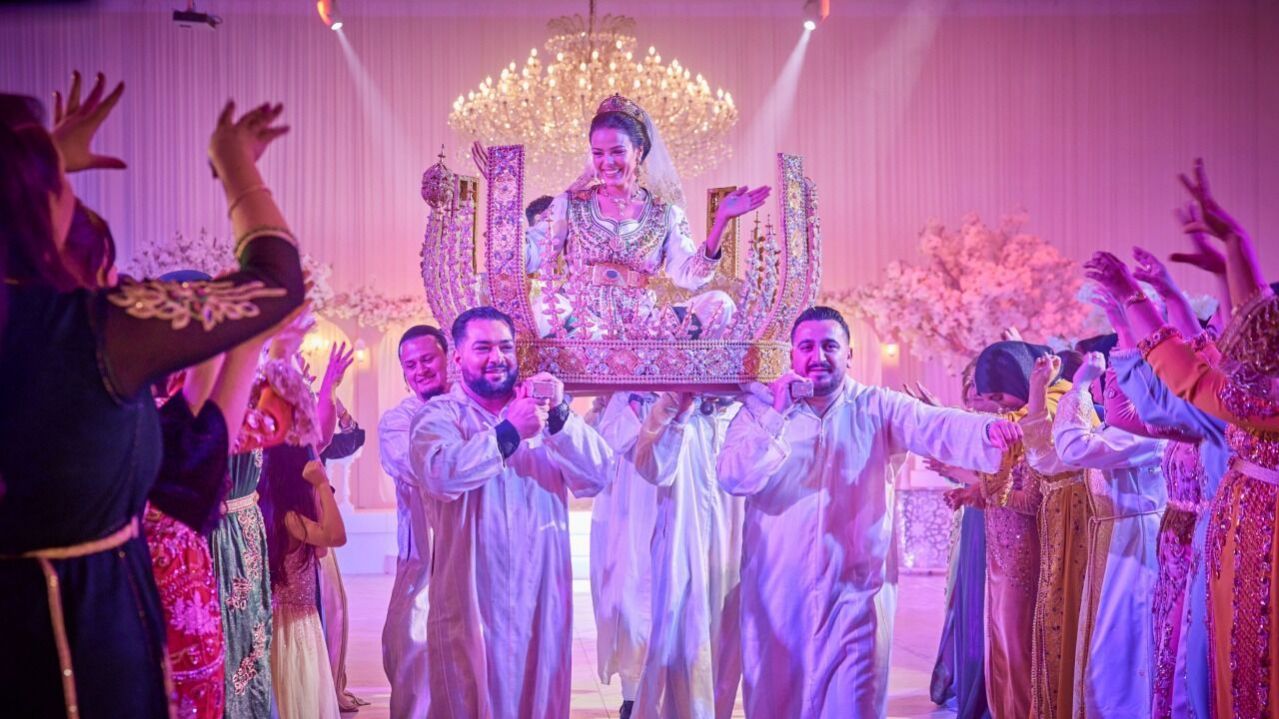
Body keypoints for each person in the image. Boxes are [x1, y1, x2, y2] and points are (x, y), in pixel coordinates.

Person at [0, 70, 304, 718]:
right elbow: (275, 280)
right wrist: (233, 162)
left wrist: (39, 164)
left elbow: (182, 461)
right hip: (78, 625)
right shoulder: (90, 327)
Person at [715, 306, 1022, 719]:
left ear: (849, 355)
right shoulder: (760, 411)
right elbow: (734, 477)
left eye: (830, 346)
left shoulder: (877, 406)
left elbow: (933, 424)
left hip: (856, 596)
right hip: (778, 595)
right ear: (791, 354)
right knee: (777, 706)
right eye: (806, 347)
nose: (818, 356)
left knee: (854, 706)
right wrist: (776, 415)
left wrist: (986, 431)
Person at [1085, 158, 1279, 719]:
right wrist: (1227, 259)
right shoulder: (1254, 396)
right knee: (1220, 665)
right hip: (1230, 540)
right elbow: (1222, 354)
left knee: (1244, 666)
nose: (1231, 339)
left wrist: (1136, 302)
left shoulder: (1261, 404)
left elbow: (1194, 373)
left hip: (1259, 545)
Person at [409, 306, 614, 718]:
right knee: (473, 698)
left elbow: (597, 476)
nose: (497, 357)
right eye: (483, 348)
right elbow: (440, 474)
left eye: (505, 347)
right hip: (473, 595)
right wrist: (510, 432)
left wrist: (558, 416)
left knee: (539, 697)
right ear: (458, 357)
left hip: (540, 592)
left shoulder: (543, 412)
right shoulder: (440, 415)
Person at [473, 94, 768, 338]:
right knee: (542, 312)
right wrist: (504, 198)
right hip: (579, 321)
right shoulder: (570, 205)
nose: (607, 162)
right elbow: (528, 258)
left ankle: (643, 365)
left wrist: (721, 221)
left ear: (638, 152)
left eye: (617, 152)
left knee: (720, 304)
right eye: (598, 153)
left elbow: (690, 277)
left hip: (642, 326)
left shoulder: (665, 214)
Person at [1053, 351, 1166, 718]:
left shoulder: (1146, 434)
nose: (1112, 392)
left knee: (1124, 644)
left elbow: (1073, 448)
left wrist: (1079, 387)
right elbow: (1053, 455)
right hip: (1114, 539)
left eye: (1123, 385)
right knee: (1110, 641)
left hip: (1136, 543)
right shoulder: (1112, 431)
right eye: (1110, 383)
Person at [630, 391, 745, 719]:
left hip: (735, 548)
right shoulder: (668, 408)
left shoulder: (748, 415)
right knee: (675, 646)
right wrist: (679, 414)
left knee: (726, 650)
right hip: (681, 542)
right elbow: (654, 470)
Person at [378, 323, 450, 719]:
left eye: (427, 359)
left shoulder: (472, 410)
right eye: (411, 365)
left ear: (449, 357)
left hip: (476, 562)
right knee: (411, 658)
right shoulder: (397, 421)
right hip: (423, 564)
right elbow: (423, 469)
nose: (420, 370)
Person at [926, 362, 995, 719]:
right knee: (963, 598)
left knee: (984, 604)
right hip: (972, 519)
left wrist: (957, 473)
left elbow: (1000, 481)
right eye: (970, 391)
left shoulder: (1007, 427)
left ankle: (986, 690)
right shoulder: (974, 425)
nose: (974, 398)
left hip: (995, 523)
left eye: (981, 391)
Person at [587, 392, 662, 719]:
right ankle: (631, 699)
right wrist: (629, 404)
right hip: (625, 511)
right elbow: (604, 448)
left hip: (672, 503)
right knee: (628, 602)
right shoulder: (624, 396)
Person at [260, 448, 347, 719]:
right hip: (293, 629)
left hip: (293, 622)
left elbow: (320, 550)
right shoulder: (291, 520)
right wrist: (322, 486)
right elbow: (336, 536)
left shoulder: (278, 515)